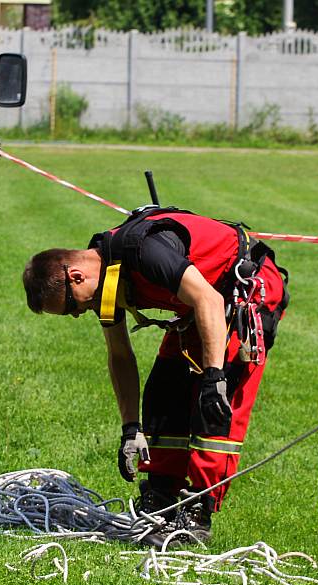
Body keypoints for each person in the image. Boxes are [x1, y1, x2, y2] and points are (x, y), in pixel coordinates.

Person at [22, 206, 289, 544]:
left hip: (243, 292)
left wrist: (214, 376)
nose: (77, 315)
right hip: (200, 304)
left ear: (76, 277)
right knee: (164, 391)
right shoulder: (107, 281)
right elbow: (120, 355)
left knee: (215, 408)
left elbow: (207, 298)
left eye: (72, 307)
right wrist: (130, 428)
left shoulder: (143, 251)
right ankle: (161, 499)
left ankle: (198, 511)